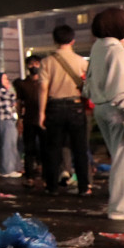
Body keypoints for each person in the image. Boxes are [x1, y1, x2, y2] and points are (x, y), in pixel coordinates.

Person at [83, 8, 124, 221]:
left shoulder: (98, 48)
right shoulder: (117, 52)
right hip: (118, 110)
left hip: (101, 107)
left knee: (119, 159)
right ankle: (122, 207)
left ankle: (123, 205)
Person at [36, 25, 91, 197]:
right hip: (76, 107)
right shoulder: (82, 62)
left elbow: (43, 89)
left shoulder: (46, 62)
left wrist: (41, 113)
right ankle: (84, 186)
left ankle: (51, 186)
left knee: (53, 149)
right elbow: (88, 88)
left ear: (54, 40)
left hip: (54, 108)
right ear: (73, 40)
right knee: (80, 149)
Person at [15, 56, 45, 188]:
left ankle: (46, 176)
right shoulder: (23, 84)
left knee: (45, 148)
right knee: (29, 149)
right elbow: (19, 103)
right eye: (31, 64)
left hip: (43, 120)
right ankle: (29, 177)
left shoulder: (44, 82)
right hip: (29, 119)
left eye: (36, 63)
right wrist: (19, 119)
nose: (34, 66)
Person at [0, 70, 21, 178]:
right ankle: (8, 169)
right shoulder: (1, 91)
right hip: (6, 119)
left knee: (8, 143)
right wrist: (10, 88)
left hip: (7, 120)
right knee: (8, 144)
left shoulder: (0, 91)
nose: (7, 81)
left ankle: (6, 167)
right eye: (4, 79)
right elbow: (13, 98)